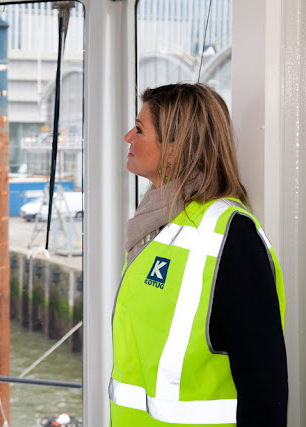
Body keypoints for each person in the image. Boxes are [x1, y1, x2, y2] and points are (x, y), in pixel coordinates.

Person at [109, 83, 287, 426]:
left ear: (175, 149)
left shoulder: (230, 236)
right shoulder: (159, 227)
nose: (129, 136)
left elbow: (264, 383)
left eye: (141, 129)